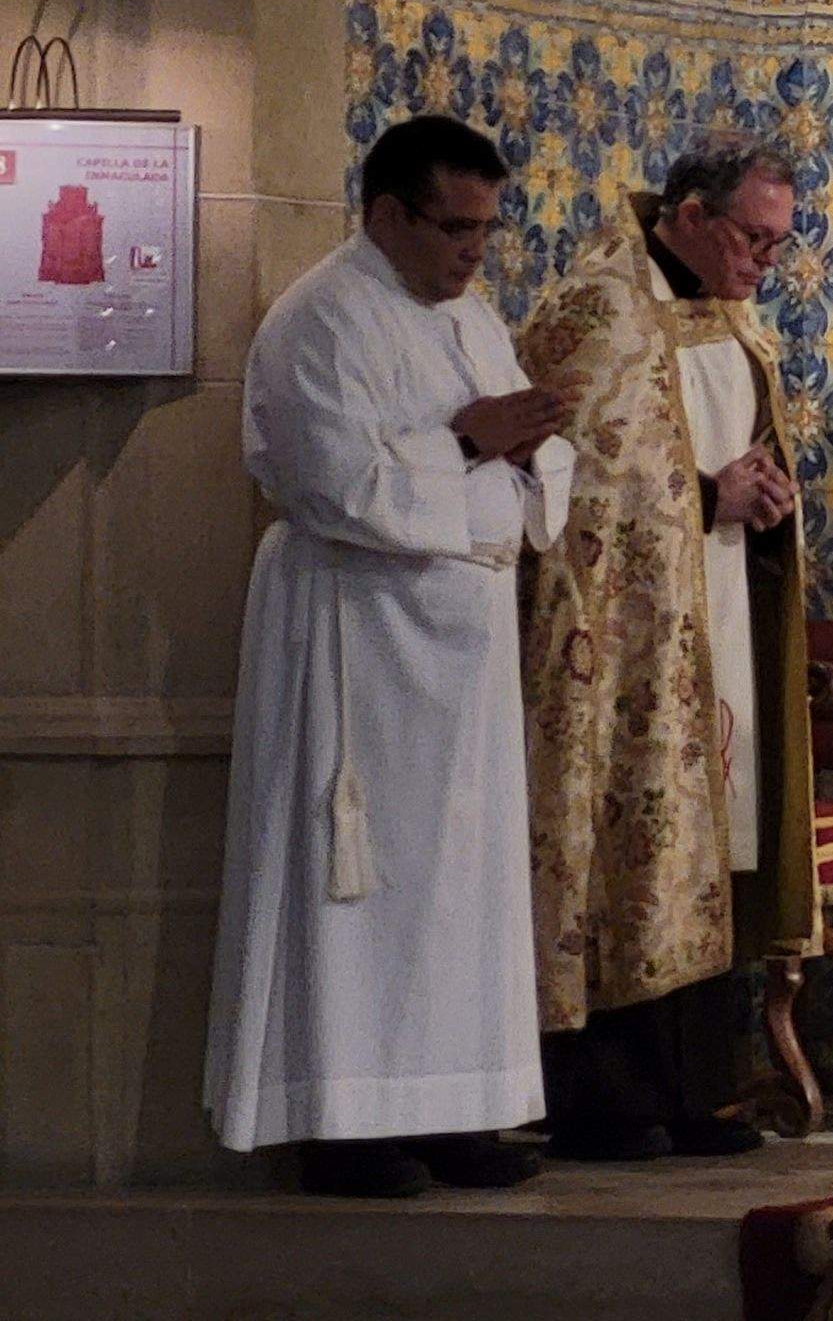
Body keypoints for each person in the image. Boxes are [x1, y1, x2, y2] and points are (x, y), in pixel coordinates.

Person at [206, 117, 574, 1198]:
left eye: (487, 229)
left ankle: (458, 1105)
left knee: (464, 880)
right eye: (456, 228)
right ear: (387, 214)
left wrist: (515, 444)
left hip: (462, 644)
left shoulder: (472, 315)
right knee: (362, 875)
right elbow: (331, 482)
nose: (475, 252)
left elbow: (531, 459)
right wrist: (469, 442)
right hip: (358, 633)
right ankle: (349, 1123)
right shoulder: (320, 319)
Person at [516, 137, 818, 1161]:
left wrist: (769, 501)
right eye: (752, 239)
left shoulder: (732, 322)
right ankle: (606, 1099)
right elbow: (566, 488)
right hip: (625, 643)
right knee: (629, 846)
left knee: (713, 843)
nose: (761, 265)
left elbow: (739, 454)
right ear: (688, 213)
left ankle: (698, 1089)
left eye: (778, 247)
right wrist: (703, 495)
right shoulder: (597, 310)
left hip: (719, 612)